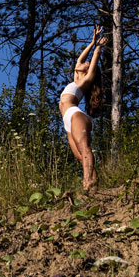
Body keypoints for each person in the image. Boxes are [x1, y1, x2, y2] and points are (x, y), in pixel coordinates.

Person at [59, 25, 106, 190]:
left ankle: (87, 183)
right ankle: (94, 183)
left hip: (75, 115)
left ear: (88, 72)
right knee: (79, 156)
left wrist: (98, 47)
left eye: (87, 64)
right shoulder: (76, 78)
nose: (84, 62)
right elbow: (79, 61)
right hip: (67, 120)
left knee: (85, 149)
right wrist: (92, 42)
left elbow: (92, 62)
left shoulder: (85, 80)